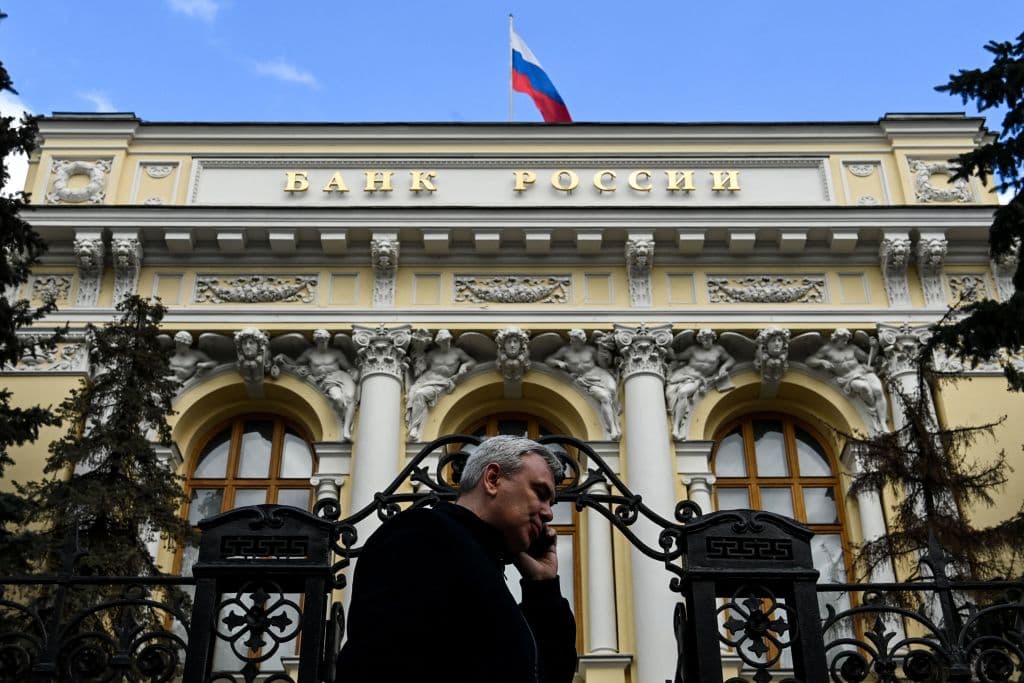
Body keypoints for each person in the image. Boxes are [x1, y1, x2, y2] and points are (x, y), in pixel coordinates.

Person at [336, 435, 577, 683]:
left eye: (551, 503)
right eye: (540, 493)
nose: (548, 513)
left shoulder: (483, 560)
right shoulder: (423, 535)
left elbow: (548, 674)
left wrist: (543, 587)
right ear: (492, 479)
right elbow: (381, 663)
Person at [665, 328, 736, 440]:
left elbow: (731, 360)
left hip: (697, 379)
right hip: (682, 375)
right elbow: (676, 357)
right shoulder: (693, 350)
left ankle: (676, 428)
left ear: (713, 338)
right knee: (670, 396)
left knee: (682, 392)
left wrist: (723, 368)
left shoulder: (719, 350)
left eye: (708, 339)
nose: (706, 341)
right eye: (703, 339)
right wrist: (667, 346)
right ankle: (677, 423)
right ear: (700, 340)